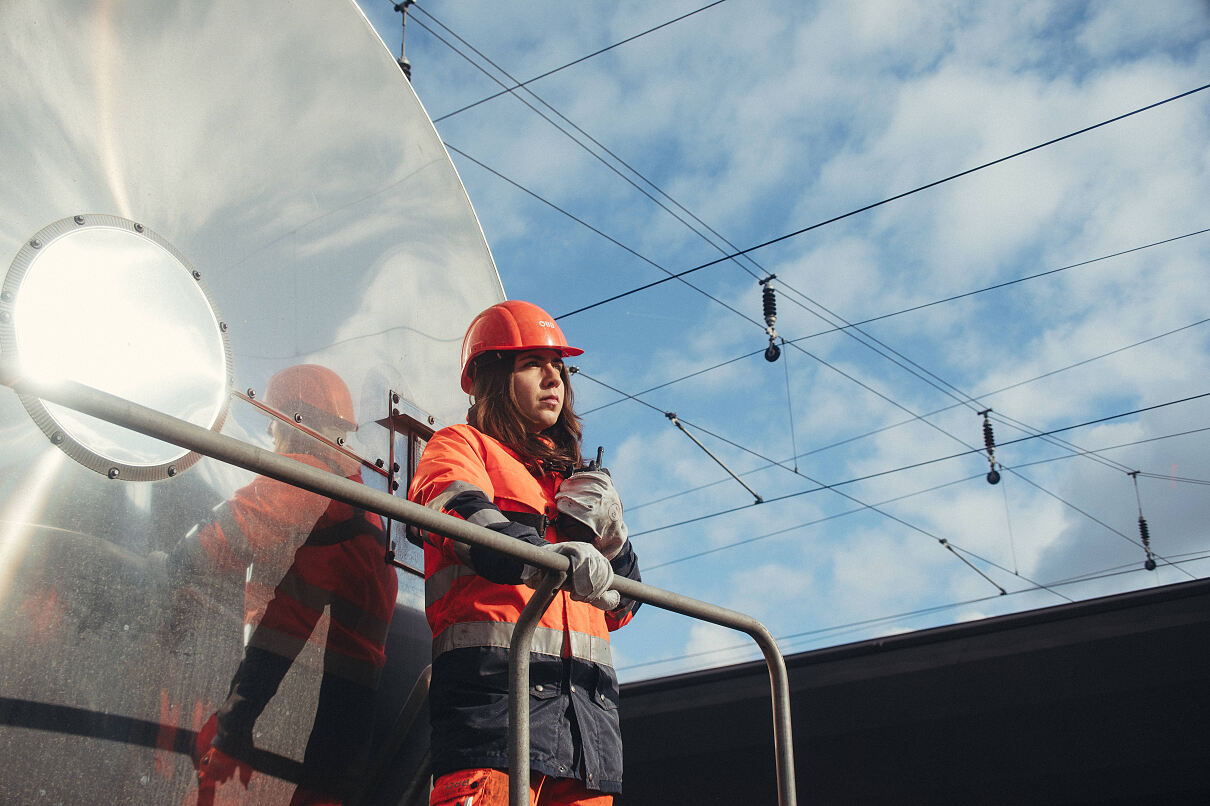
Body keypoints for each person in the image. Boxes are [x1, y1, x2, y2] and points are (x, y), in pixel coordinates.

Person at [408, 300, 641, 806]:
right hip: (495, 711)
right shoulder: (461, 444)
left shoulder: (573, 479)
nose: (553, 378)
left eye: (559, 366)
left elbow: (621, 608)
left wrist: (613, 540)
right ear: (491, 377)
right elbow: (462, 514)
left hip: (587, 729)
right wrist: (553, 559)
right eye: (532, 364)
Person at [154, 364, 398, 806]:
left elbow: (214, 545)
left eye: (274, 418)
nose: (269, 431)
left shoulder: (303, 478)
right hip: (332, 723)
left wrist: (159, 569)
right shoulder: (362, 503)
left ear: (295, 420)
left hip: (279, 700)